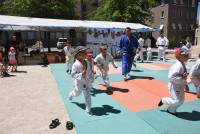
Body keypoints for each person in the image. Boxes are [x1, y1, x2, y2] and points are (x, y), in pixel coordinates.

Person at [158, 47, 190, 116]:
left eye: (187, 55)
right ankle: (164, 100)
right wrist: (182, 77)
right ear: (180, 56)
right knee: (177, 100)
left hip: (180, 85)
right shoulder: (177, 66)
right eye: (185, 55)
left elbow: (184, 76)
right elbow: (171, 77)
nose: (187, 57)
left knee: (181, 100)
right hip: (174, 86)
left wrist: (186, 84)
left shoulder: (182, 64)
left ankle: (171, 110)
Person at [68, 46, 93, 115]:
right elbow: (72, 74)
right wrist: (81, 74)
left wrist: (91, 75)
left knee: (87, 95)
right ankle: (71, 94)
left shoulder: (87, 62)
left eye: (86, 53)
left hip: (87, 82)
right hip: (79, 83)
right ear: (78, 55)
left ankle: (88, 108)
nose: (86, 54)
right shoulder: (75, 64)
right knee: (77, 94)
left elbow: (89, 71)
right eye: (84, 53)